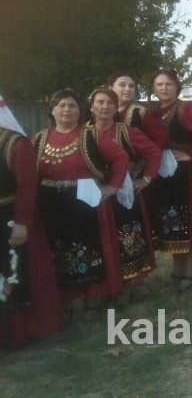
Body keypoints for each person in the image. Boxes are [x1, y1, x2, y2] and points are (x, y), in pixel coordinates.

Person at [34, 89, 129, 321]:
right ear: (52, 110)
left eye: (72, 106)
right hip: (50, 203)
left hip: (84, 200)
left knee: (89, 247)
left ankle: (91, 300)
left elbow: (120, 158)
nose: (67, 110)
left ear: (80, 110)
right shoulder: (38, 138)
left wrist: (113, 186)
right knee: (58, 249)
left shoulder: (92, 135)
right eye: (62, 105)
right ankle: (66, 301)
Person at [86, 88, 162, 303]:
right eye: (100, 102)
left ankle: (129, 284)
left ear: (115, 107)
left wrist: (146, 178)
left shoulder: (127, 132)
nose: (105, 106)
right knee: (100, 238)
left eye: (110, 102)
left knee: (127, 237)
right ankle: (104, 285)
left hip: (123, 191)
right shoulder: (83, 133)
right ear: (91, 107)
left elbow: (154, 153)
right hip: (95, 193)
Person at [0, 94, 62, 348]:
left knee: (14, 274)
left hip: (10, 219)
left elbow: (27, 186)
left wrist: (22, 223)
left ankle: (15, 334)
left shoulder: (15, 143)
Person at [149, 69, 192, 292]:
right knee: (171, 220)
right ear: (153, 88)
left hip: (184, 173)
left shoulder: (186, 108)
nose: (164, 88)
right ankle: (177, 271)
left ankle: (190, 273)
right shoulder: (154, 113)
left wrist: (191, 154)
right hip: (164, 173)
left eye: (168, 83)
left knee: (187, 220)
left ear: (176, 86)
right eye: (159, 84)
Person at [108, 71, 169, 150]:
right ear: (110, 87)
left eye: (131, 86)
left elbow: (161, 138)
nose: (127, 89)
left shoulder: (143, 113)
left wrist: (148, 155)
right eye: (122, 85)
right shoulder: (99, 110)